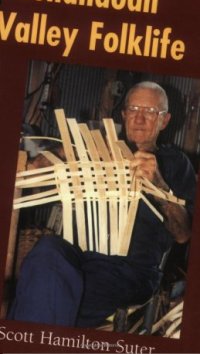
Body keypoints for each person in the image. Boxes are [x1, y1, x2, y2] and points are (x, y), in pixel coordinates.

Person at [8, 81, 196, 328]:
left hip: (130, 271)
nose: (139, 119)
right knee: (46, 252)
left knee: (54, 296)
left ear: (164, 120)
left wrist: (159, 186)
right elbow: (33, 167)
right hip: (77, 256)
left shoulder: (175, 163)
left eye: (150, 112)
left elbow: (183, 234)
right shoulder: (97, 150)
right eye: (134, 109)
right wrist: (55, 155)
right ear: (123, 114)